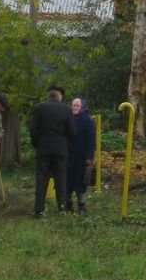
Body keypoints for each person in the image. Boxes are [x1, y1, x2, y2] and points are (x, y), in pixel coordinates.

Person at [30, 87, 74, 218]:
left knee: (41, 180)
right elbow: (72, 131)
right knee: (60, 180)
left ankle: (39, 210)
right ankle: (61, 208)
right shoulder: (66, 109)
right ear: (59, 96)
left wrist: (36, 145)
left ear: (49, 96)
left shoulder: (40, 108)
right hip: (60, 150)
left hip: (43, 149)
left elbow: (33, 129)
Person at [64, 97, 96, 215]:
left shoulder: (88, 121)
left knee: (80, 182)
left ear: (82, 107)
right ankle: (68, 205)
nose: (75, 108)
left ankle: (81, 206)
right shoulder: (68, 118)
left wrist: (89, 157)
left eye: (77, 106)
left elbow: (91, 141)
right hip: (68, 155)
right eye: (73, 105)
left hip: (81, 157)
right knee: (67, 181)